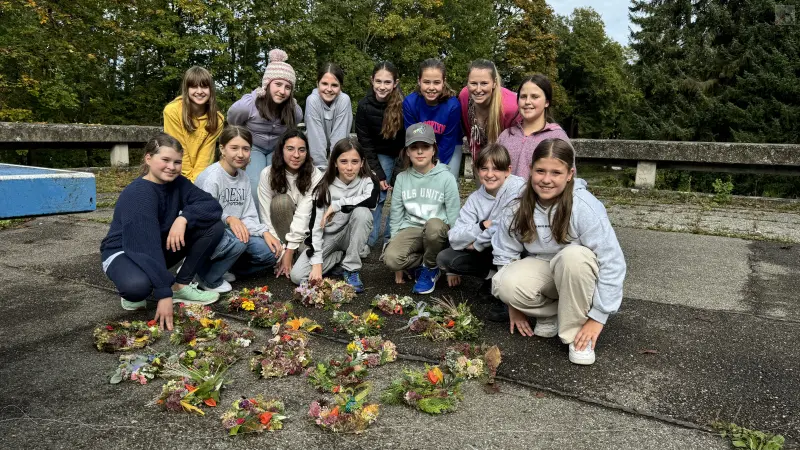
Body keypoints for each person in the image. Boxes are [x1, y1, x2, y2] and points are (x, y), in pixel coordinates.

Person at [491, 138, 626, 365]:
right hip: (545, 270)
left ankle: (578, 335)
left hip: (578, 272)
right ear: (530, 170)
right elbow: (505, 253)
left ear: (570, 174)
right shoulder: (517, 204)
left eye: (556, 173)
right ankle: (553, 314)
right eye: (540, 171)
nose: (546, 179)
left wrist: (598, 317)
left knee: (572, 256)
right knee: (504, 283)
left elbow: (612, 262)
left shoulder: (584, 206)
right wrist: (513, 307)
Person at [100, 133, 223, 331]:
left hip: (155, 244)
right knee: (137, 288)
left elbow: (211, 206)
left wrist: (183, 219)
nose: (171, 167)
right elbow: (143, 247)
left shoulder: (178, 183)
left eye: (177, 162)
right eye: (165, 160)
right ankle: (138, 286)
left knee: (213, 226)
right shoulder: (139, 193)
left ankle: (180, 286)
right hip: (123, 251)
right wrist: (163, 294)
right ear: (148, 158)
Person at [436, 143, 525, 320]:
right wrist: (482, 225)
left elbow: (506, 226)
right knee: (445, 258)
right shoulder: (475, 199)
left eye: (496, 169)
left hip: (518, 250)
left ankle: (510, 297)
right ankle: (492, 278)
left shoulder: (519, 188)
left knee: (505, 238)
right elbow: (454, 237)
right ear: (477, 171)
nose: (490, 174)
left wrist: (477, 243)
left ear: (508, 170)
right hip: (490, 249)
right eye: (484, 168)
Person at [193, 126, 280, 293]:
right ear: (222, 149)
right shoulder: (211, 177)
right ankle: (206, 277)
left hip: (235, 235)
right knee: (239, 240)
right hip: (210, 235)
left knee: (271, 253)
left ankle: (223, 268)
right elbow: (203, 215)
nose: (240, 154)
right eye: (234, 148)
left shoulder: (243, 177)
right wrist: (229, 218)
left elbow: (248, 214)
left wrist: (264, 232)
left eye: (246, 149)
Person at [290, 138, 379, 292]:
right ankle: (338, 259)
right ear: (335, 163)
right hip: (328, 237)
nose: (350, 167)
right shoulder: (323, 188)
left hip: (350, 235)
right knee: (297, 276)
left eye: (355, 161)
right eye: (343, 161)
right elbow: (315, 228)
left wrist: (337, 205)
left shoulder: (369, 181)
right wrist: (317, 263)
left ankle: (351, 268)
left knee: (363, 212)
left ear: (362, 163)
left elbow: (371, 201)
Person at [383, 123, 461, 295]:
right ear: (407, 152)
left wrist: (452, 266)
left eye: (425, 147)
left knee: (434, 226)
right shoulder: (402, 178)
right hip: (411, 229)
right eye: (414, 147)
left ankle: (430, 267)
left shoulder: (447, 178)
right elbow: (396, 214)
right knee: (391, 260)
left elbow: (455, 217)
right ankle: (430, 260)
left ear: (433, 150)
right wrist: (398, 262)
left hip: (438, 231)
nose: (419, 152)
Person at [228, 49, 303, 204]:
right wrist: (242, 144)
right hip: (254, 147)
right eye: (278, 84)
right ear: (267, 84)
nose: (282, 91)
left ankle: (278, 222)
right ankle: (257, 223)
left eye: (288, 87)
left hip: (277, 148)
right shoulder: (248, 105)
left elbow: (291, 129)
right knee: (256, 184)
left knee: (277, 185)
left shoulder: (294, 111)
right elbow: (233, 121)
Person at [257, 129, 324, 279]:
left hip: (306, 231)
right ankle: (287, 256)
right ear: (281, 150)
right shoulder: (267, 174)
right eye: (290, 149)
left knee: (303, 262)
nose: (296, 155)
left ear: (307, 153)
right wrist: (280, 251)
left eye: (302, 150)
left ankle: (295, 254)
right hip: (281, 233)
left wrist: (291, 249)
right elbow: (266, 214)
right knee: (280, 202)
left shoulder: (315, 175)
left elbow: (304, 214)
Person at [355, 61, 406, 251]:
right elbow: (365, 143)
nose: (382, 86)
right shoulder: (364, 106)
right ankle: (369, 240)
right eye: (378, 81)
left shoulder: (404, 105)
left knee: (400, 196)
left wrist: (398, 172)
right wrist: (379, 174)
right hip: (377, 154)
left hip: (402, 153)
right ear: (372, 81)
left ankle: (391, 239)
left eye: (387, 82)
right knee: (378, 195)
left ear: (395, 83)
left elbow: (407, 140)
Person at [497, 74, 570, 181]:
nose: (527, 102)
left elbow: (569, 181)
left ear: (547, 102)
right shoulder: (506, 136)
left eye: (534, 97)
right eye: (523, 97)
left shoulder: (558, 137)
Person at [403, 59, 463, 179]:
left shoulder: (453, 105)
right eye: (426, 82)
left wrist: (435, 166)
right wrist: (424, 164)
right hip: (420, 146)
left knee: (447, 180)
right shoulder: (410, 103)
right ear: (419, 81)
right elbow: (412, 137)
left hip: (449, 146)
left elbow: (448, 139)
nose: (431, 87)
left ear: (443, 82)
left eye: (436, 82)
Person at [163, 66, 225, 182]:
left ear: (211, 89)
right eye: (194, 86)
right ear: (187, 89)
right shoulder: (172, 111)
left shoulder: (217, 119)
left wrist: (197, 182)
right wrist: (187, 182)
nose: (199, 91)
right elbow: (178, 149)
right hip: (172, 168)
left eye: (204, 87)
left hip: (199, 175)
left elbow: (205, 157)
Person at [458, 59, 519, 160]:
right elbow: (469, 135)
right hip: (479, 161)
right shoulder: (464, 97)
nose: (478, 89)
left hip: (505, 161)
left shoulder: (510, 108)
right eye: (473, 83)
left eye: (484, 83)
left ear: (494, 83)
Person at [305, 63, 353, 168]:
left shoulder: (344, 100)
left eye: (334, 85)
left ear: (341, 86)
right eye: (324, 84)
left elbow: (340, 136)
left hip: (338, 154)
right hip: (314, 154)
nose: (329, 89)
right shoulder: (312, 100)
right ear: (317, 84)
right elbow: (316, 138)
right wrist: (321, 168)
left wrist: (334, 167)